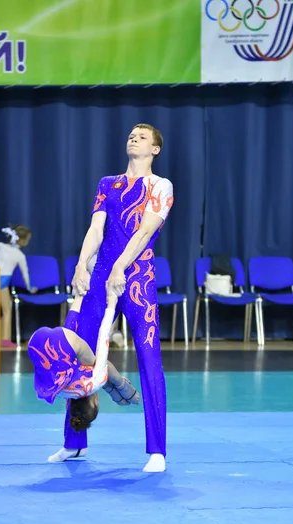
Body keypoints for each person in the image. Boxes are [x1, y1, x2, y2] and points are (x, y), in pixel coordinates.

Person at [53, 123, 174, 473]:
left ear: (155, 149)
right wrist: (80, 265)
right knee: (74, 352)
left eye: (143, 136)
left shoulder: (160, 186)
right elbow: (96, 228)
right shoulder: (108, 184)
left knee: (150, 359)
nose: (134, 138)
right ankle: (74, 443)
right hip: (101, 273)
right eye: (131, 135)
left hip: (137, 278)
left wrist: (121, 268)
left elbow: (145, 230)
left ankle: (157, 450)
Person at [28, 293, 140, 463]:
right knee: (69, 352)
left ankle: (74, 446)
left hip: (63, 343)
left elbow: (104, 340)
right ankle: (75, 447)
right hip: (36, 345)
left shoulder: (93, 381)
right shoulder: (63, 394)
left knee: (97, 362)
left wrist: (123, 386)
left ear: (94, 402)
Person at [0, 223, 37, 348]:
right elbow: (25, 274)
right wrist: (29, 288)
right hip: (2, 283)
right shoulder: (19, 255)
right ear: (23, 241)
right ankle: (4, 339)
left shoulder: (2, 247)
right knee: (7, 311)